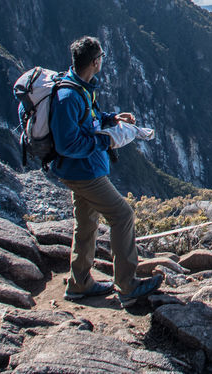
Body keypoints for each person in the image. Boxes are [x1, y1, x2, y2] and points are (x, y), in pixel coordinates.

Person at [50, 35, 163, 304]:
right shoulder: (68, 96)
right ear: (95, 61)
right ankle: (127, 284)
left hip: (84, 169)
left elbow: (89, 118)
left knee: (86, 224)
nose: (102, 61)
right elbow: (68, 144)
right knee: (122, 215)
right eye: (101, 57)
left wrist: (113, 118)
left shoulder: (81, 87)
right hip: (83, 172)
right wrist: (107, 139)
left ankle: (79, 284)